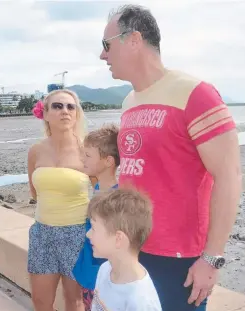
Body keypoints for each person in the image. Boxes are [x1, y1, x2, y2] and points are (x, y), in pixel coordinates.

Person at [100, 5, 241, 310]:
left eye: (106, 45)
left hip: (178, 258)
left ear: (134, 39)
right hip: (131, 247)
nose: (102, 56)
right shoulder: (129, 102)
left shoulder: (196, 94)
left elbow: (229, 176)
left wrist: (211, 258)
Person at [27, 89, 89, 311]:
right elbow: (34, 192)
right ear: (45, 114)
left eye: (70, 107)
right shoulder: (35, 151)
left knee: (75, 302)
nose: (65, 111)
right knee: (41, 302)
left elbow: (104, 192)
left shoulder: (88, 149)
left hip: (77, 234)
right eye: (58, 106)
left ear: (77, 114)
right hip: (42, 233)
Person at [86, 188, 161, 310]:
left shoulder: (141, 301)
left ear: (118, 239)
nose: (88, 234)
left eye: (93, 228)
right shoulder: (105, 269)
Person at [72, 124, 119, 310]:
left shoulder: (115, 198)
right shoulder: (99, 189)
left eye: (88, 155)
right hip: (90, 272)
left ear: (108, 161)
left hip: (102, 276)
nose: (82, 159)